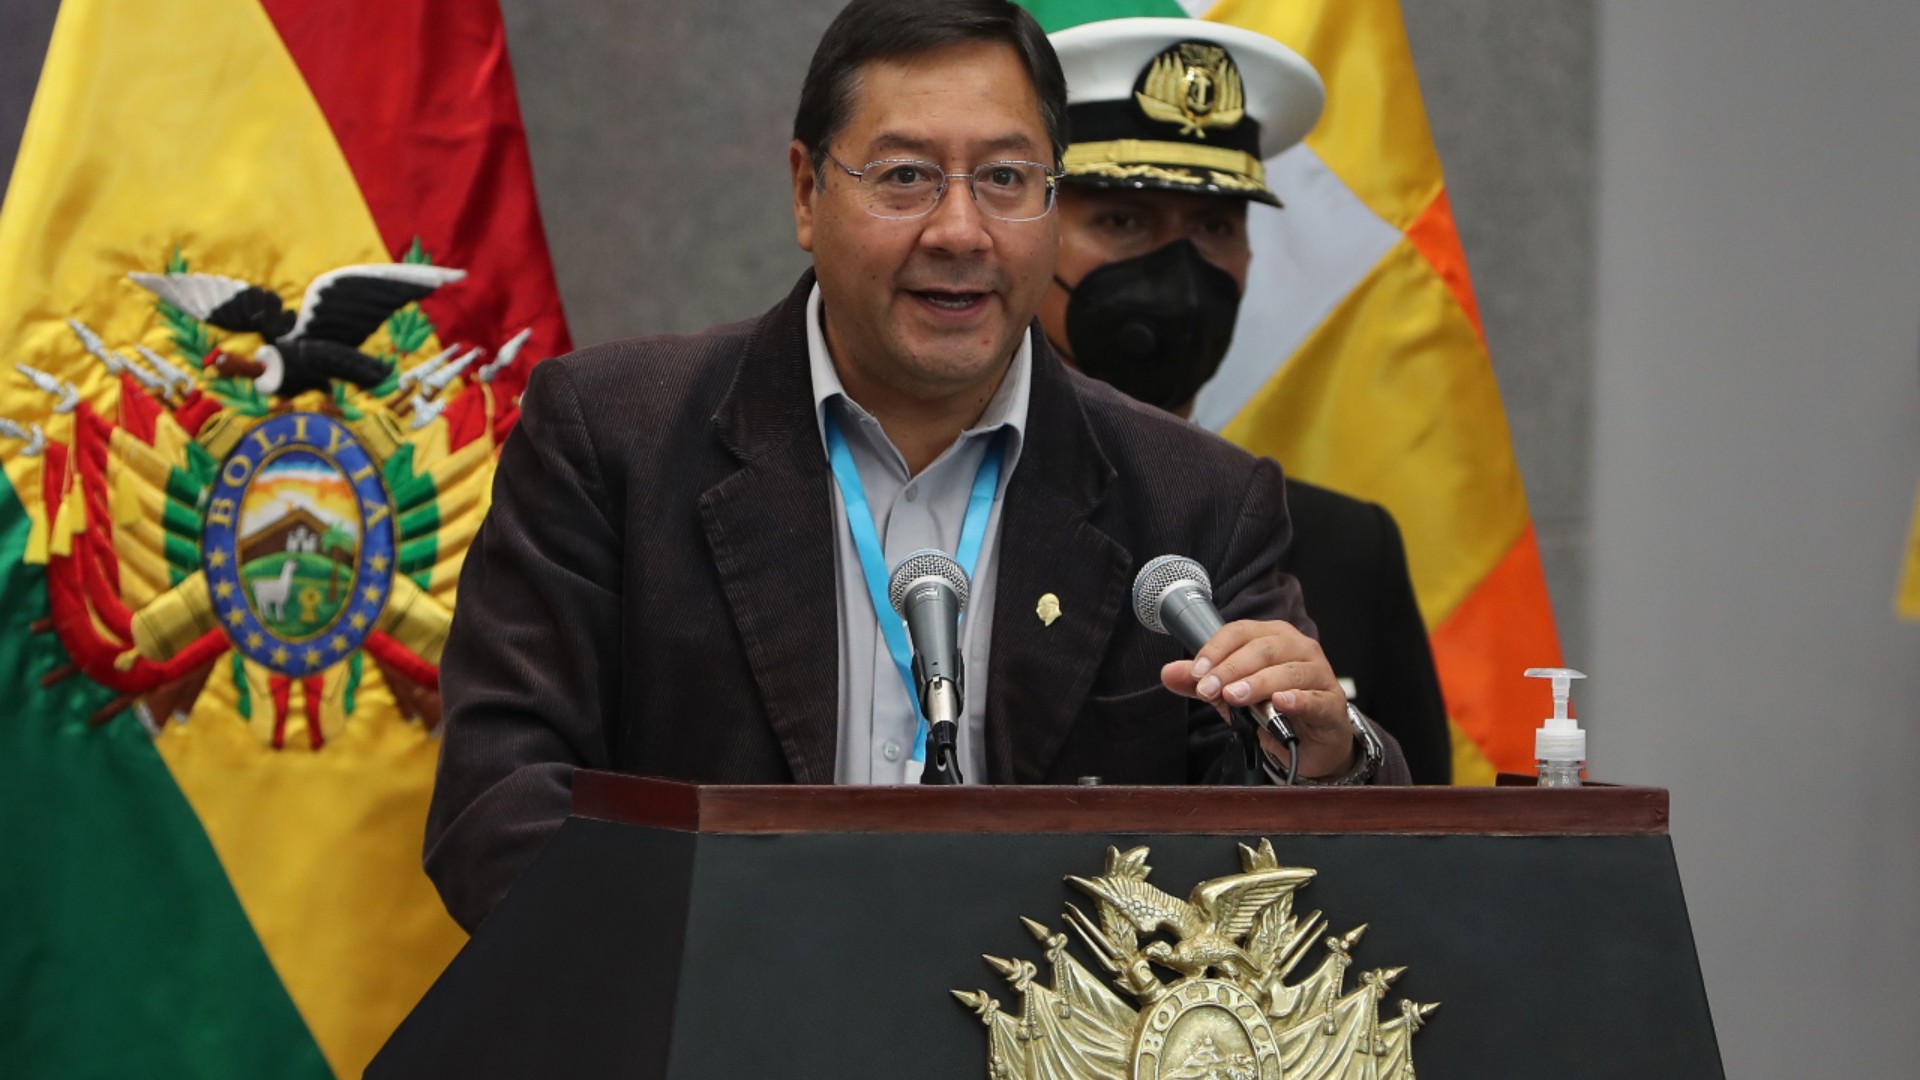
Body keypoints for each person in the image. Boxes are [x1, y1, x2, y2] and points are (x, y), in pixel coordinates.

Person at [424, 0, 1408, 934]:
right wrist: (758, 985)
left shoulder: (1197, 500)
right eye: (905, 177)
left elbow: (1288, 879)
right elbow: (498, 809)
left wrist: (1326, 765)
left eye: (1006, 178)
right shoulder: (615, 439)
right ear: (807, 191)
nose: (960, 231)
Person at [1038, 19, 1452, 783]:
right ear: (1032, 234)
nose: (1180, 269)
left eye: (1214, 226)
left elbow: (1421, 831)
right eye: (1123, 220)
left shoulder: (1344, 548)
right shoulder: (979, 513)